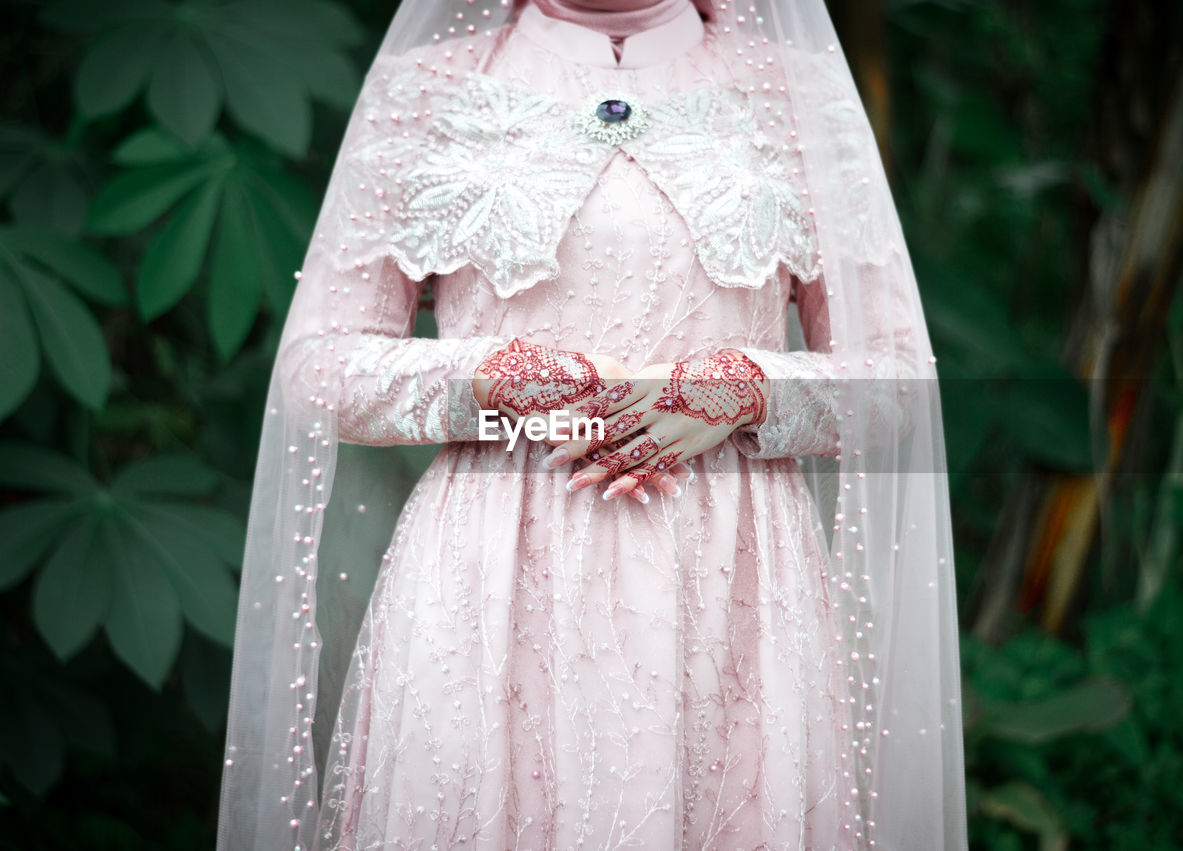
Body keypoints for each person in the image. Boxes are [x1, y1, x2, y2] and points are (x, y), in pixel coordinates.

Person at [216, 1, 968, 848]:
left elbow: (898, 377)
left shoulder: (791, 86)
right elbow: (317, 365)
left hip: (734, 581)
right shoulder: (432, 85)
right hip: (494, 574)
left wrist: (747, 390)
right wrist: (490, 379)